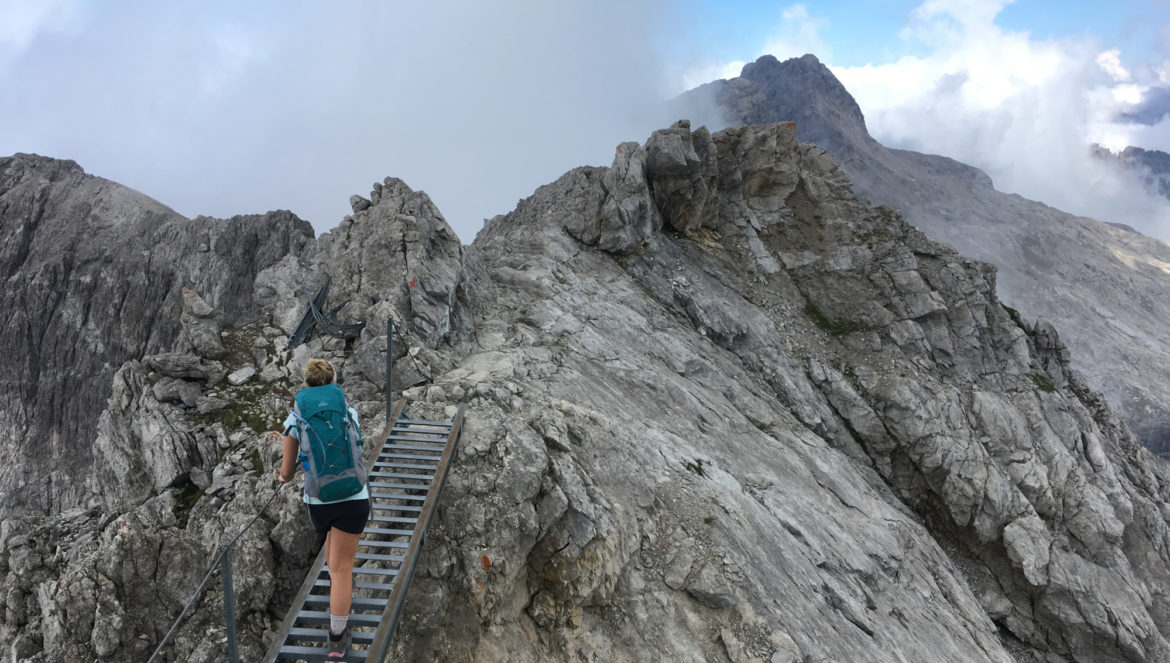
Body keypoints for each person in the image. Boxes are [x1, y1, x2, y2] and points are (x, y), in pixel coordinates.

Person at [277, 358, 369, 658]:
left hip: (320, 502)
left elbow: (287, 471)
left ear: (306, 384)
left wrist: (284, 476)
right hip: (354, 497)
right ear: (333, 382)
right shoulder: (347, 412)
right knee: (342, 569)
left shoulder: (296, 418)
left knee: (335, 563)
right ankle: (337, 638)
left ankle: (338, 605)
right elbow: (357, 448)